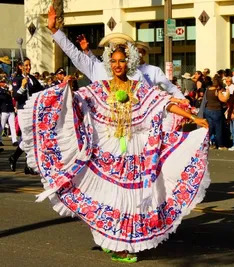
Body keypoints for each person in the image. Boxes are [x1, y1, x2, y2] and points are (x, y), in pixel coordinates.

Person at [19, 34, 210, 263]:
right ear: (109, 64)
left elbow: (164, 102)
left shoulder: (139, 88)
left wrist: (193, 117)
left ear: (128, 63)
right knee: (112, 197)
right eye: (114, 61)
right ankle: (113, 242)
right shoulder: (100, 88)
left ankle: (127, 239)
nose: (118, 65)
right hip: (109, 149)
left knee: (133, 197)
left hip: (135, 150)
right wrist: (64, 91)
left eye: (121, 61)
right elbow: (77, 102)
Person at [47, 5, 186, 101]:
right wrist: (54, 30)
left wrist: (181, 102)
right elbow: (74, 54)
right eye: (113, 58)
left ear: (128, 57)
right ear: (109, 56)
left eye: (122, 58)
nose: (117, 64)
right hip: (103, 133)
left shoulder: (137, 75)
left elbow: (152, 99)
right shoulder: (97, 69)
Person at [9, 58, 44, 173]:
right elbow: (16, 97)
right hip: (23, 110)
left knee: (32, 137)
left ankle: (16, 158)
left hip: (33, 110)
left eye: (29, 65)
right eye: (26, 65)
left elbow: (42, 90)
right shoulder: (17, 79)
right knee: (28, 137)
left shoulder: (33, 78)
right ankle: (28, 165)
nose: (29, 67)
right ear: (20, 67)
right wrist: (23, 87)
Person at [0, 77, 18, 146]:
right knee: (2, 126)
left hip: (10, 109)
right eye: (2, 82)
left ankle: (14, 140)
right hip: (4, 110)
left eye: (5, 82)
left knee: (12, 125)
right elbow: (2, 97)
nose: (4, 83)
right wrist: (6, 91)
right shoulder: (2, 90)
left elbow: (13, 96)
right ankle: (0, 140)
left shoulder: (8, 90)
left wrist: (10, 91)